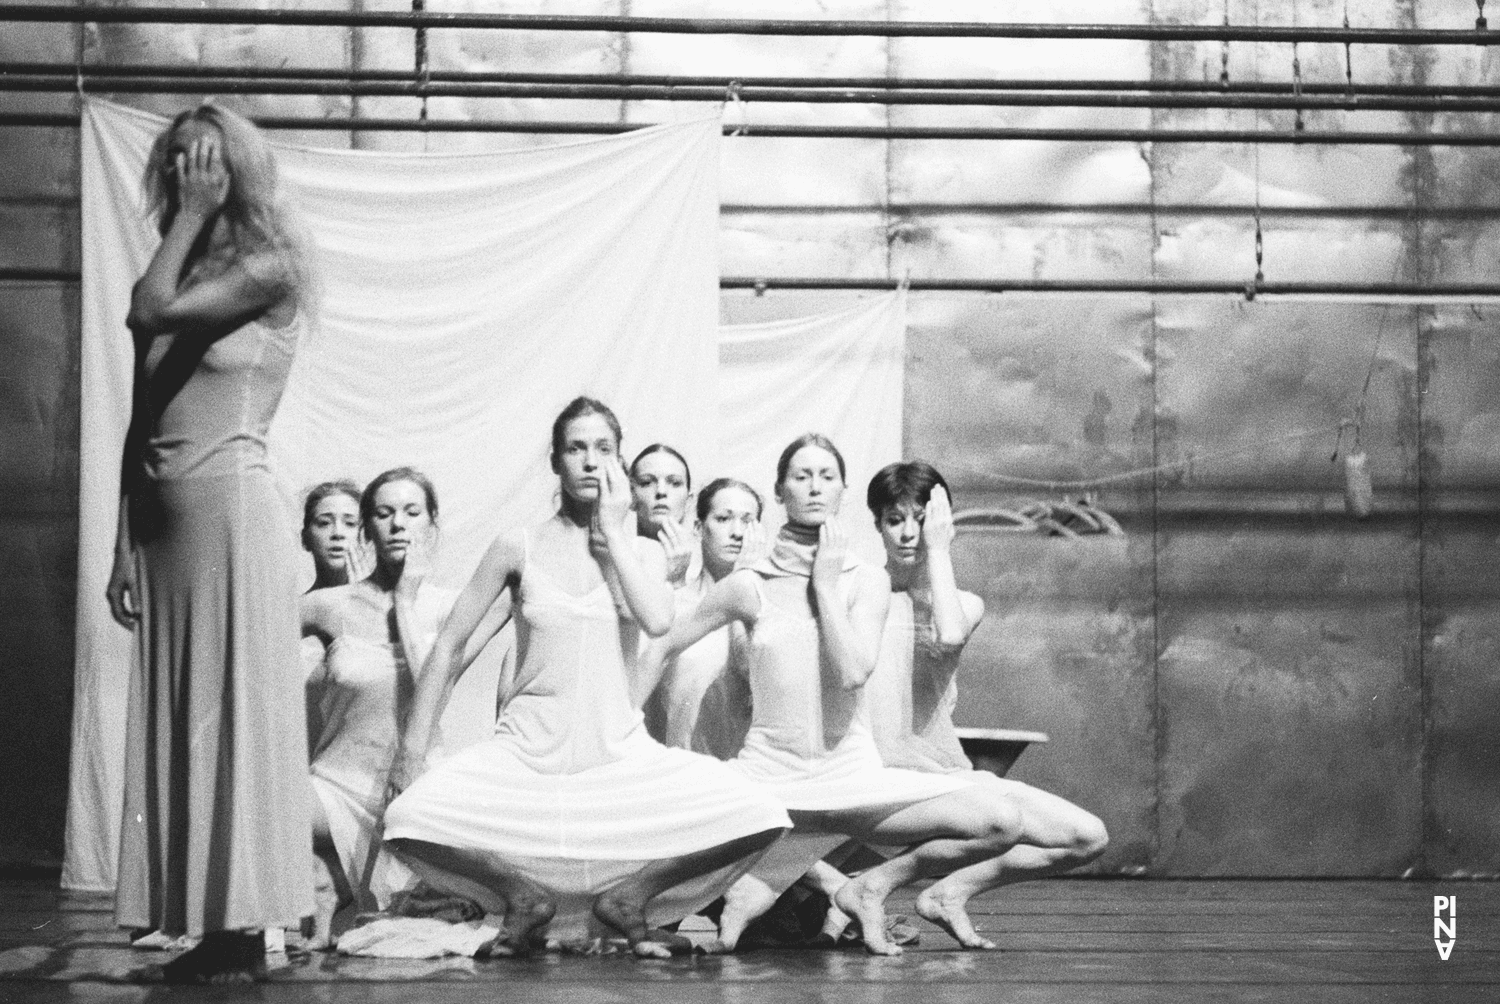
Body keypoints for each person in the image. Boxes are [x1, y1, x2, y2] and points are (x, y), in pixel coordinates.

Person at [382, 397, 790, 957]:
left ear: (620, 463)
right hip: (525, 750)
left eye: (604, 449)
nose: (590, 462)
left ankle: (632, 896)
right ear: (556, 461)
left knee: (760, 814)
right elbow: (450, 645)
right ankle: (521, 894)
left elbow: (657, 618)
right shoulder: (516, 546)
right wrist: (412, 746)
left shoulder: (641, 552)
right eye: (576, 448)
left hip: (615, 752)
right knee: (407, 819)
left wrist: (615, 535)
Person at [649, 434, 1025, 955]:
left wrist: (828, 584)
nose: (813, 486)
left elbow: (856, 670)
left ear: (842, 490)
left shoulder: (865, 583)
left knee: (1007, 821)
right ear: (779, 491)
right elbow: (663, 644)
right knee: (657, 819)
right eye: (801, 476)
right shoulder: (748, 584)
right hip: (770, 776)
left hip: (854, 777)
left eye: (826, 476)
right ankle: (762, 888)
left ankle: (850, 887)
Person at [104, 103, 316, 983]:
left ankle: (243, 926)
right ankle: (201, 917)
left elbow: (144, 311)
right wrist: (123, 542)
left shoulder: (269, 267)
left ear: (235, 169)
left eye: (203, 163)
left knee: (230, 716)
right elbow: (142, 419)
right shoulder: (186, 264)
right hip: (168, 533)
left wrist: (190, 218)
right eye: (178, 164)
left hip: (232, 519)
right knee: (184, 716)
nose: (187, 178)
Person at [863, 461, 1109, 949]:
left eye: (922, 520)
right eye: (895, 520)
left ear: (943, 525)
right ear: (877, 525)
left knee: (1088, 837)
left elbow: (949, 633)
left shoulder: (965, 603)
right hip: (869, 782)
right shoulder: (857, 595)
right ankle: (870, 886)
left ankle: (947, 893)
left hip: (942, 781)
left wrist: (940, 550)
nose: (909, 533)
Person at [300, 467, 507, 946]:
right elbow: (248, 652)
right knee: (259, 808)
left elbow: (434, 684)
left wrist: (407, 603)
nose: (398, 524)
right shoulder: (329, 605)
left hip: (414, 792)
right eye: (384, 513)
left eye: (412, 513)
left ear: (431, 527)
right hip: (334, 786)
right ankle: (327, 873)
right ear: (367, 527)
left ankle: (350, 885)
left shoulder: (450, 607)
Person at [641, 477, 765, 758]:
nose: (737, 532)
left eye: (748, 521)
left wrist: (744, 581)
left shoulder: (768, 611)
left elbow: (752, 674)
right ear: (698, 528)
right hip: (674, 763)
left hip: (743, 768)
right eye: (723, 519)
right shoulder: (676, 604)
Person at [629, 443, 695, 587]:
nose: (661, 491)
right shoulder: (616, 559)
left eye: (675, 483)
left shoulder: (701, 571)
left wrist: (678, 581)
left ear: (689, 501)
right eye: (647, 482)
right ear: (631, 497)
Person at [301, 480, 368, 592]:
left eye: (350, 523)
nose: (338, 533)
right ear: (305, 538)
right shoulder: (296, 607)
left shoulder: (395, 603)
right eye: (324, 523)